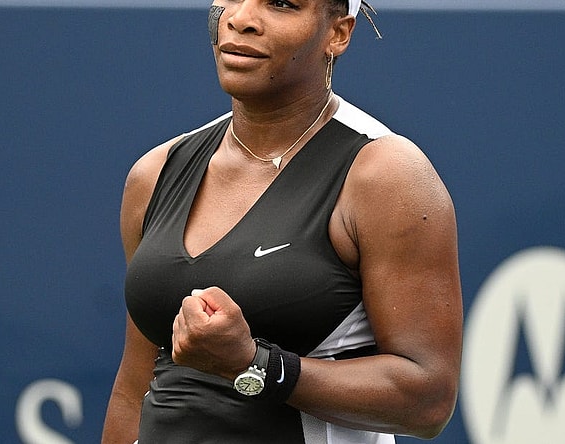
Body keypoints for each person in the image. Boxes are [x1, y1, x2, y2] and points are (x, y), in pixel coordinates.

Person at [102, 0, 462, 442]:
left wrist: (256, 365)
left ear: (339, 34)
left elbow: (428, 402)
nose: (241, 18)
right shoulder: (154, 172)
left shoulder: (384, 175)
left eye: (282, 4)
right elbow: (134, 388)